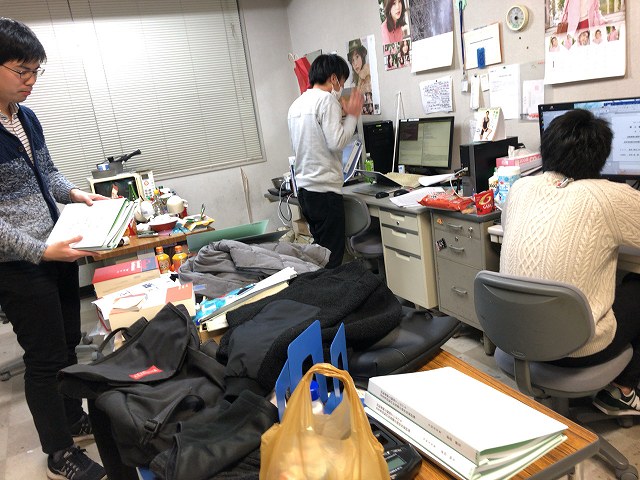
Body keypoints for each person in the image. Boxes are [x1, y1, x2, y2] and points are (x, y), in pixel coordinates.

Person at [0, 17, 108, 479]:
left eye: (35, 71)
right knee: (43, 359)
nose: (30, 81)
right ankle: (58, 453)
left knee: (67, 344)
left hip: (55, 249)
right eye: (21, 70)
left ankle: (71, 417)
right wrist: (41, 252)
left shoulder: (24, 117)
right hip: (19, 265)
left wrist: (77, 194)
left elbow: (48, 173)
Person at [500, 109, 640, 416]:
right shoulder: (609, 196)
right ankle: (622, 390)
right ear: (601, 155)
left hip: (514, 339)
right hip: (577, 351)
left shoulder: (520, 188)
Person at [287, 54, 363, 269]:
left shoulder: (297, 104)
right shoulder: (326, 100)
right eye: (342, 81)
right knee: (332, 258)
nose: (342, 87)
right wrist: (352, 116)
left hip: (305, 192)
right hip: (325, 191)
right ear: (334, 78)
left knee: (320, 255)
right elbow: (337, 142)